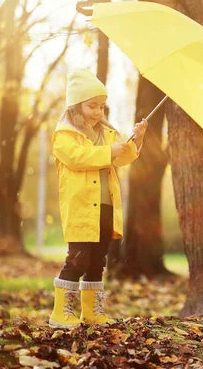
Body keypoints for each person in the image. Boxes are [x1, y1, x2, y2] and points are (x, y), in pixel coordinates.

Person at [49, 68, 147, 328]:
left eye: (101, 107)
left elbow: (122, 156)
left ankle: (91, 312)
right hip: (81, 208)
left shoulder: (107, 133)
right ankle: (61, 312)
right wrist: (108, 151)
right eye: (91, 106)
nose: (97, 112)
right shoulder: (64, 135)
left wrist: (137, 140)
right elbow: (79, 158)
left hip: (105, 206)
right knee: (79, 257)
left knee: (98, 259)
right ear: (75, 106)